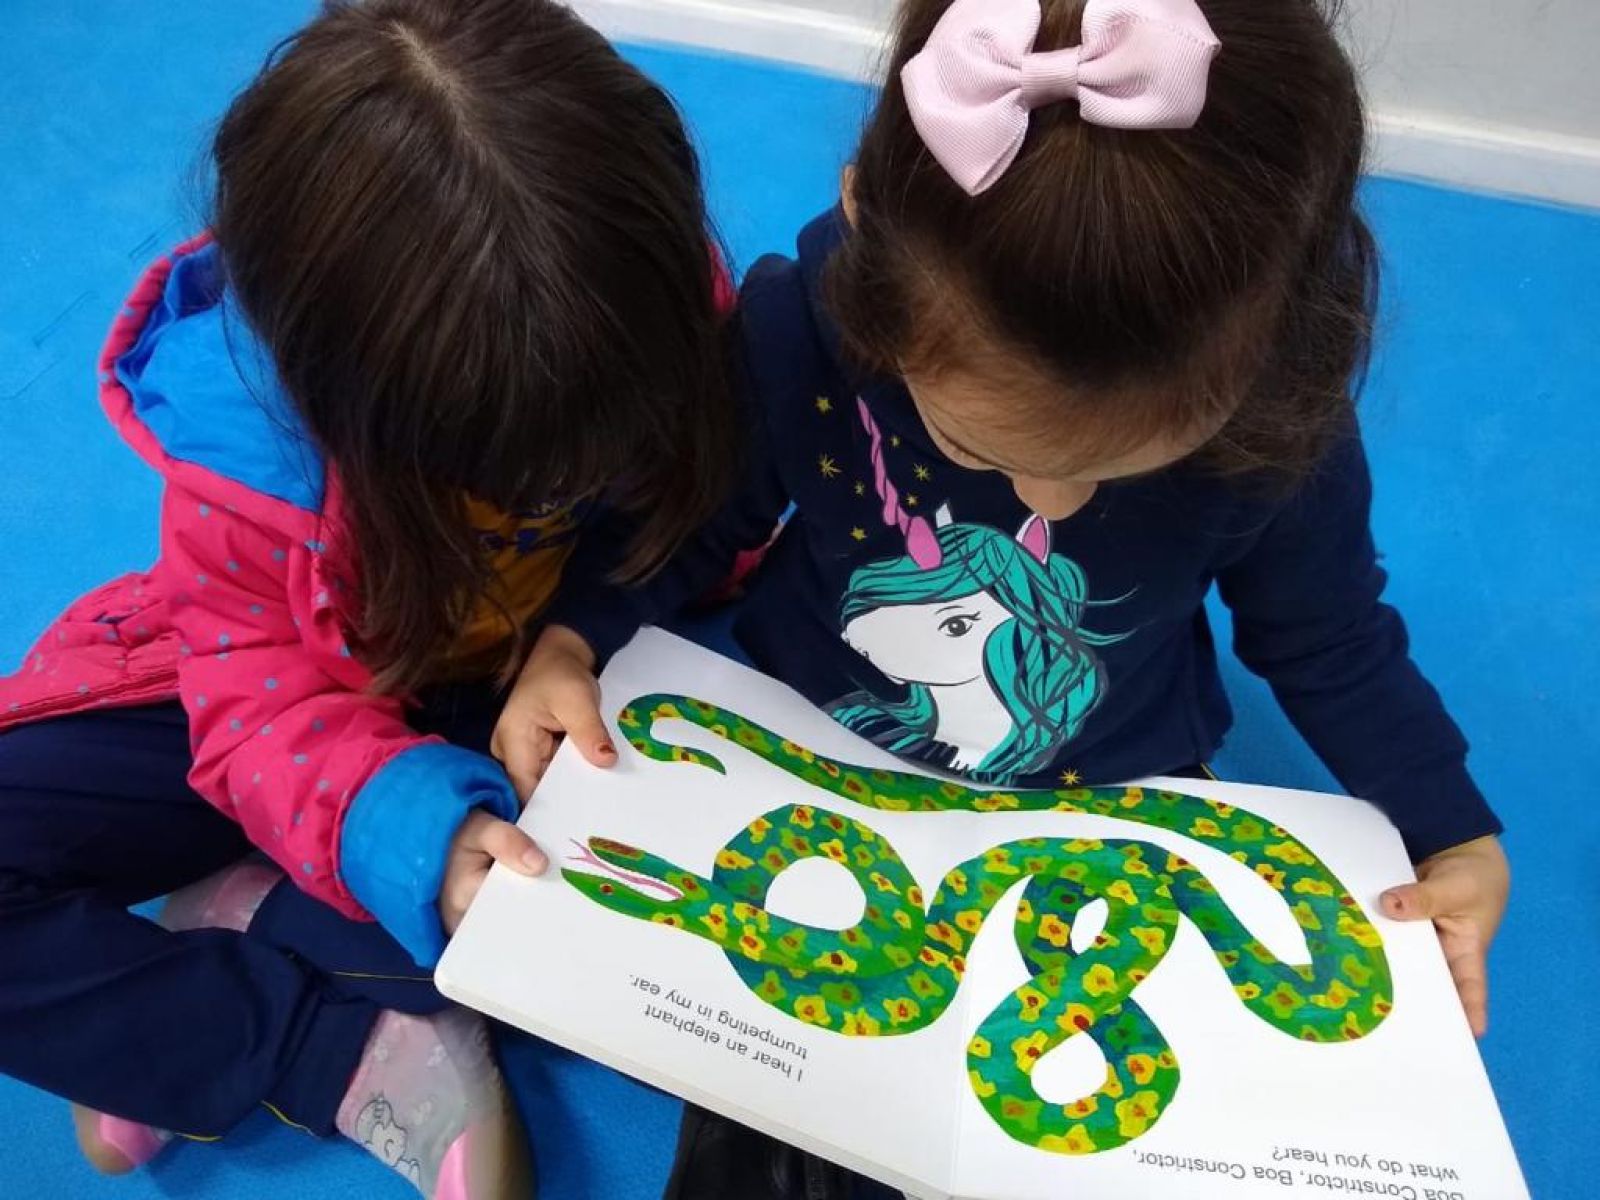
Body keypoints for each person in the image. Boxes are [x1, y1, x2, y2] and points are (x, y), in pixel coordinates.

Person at [508, 2, 1509, 1195]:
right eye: (979, 449)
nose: (1052, 502)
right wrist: (574, 636)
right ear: (869, 250)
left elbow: (1328, 636)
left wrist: (1451, 830)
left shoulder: (1274, 419)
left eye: (1121, 465)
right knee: (772, 1108)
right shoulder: (805, 327)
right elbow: (703, 519)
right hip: (811, 758)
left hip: (1110, 802)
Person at [0, 1, 735, 1196]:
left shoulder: (633, 305)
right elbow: (255, 709)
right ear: (332, 387)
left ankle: (258, 918)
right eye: (496, 471)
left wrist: (574, 637)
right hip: (277, 704)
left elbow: (688, 516)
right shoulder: (250, 462)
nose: (550, 493)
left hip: (506, 706)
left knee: (632, 943)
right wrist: (416, 837)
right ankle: (329, 1038)